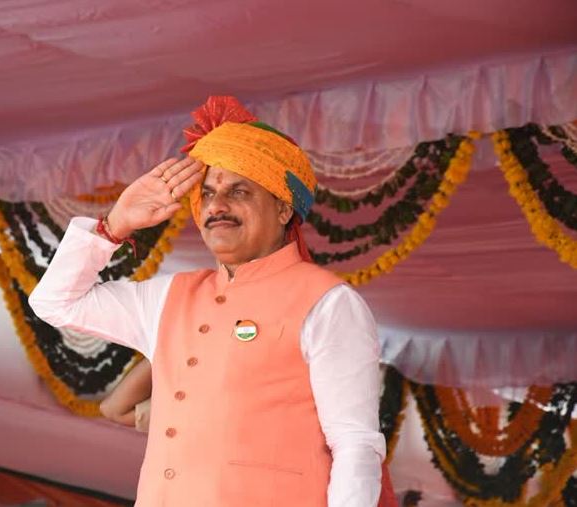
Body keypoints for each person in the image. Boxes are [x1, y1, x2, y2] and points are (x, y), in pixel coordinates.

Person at [29, 96, 390, 506]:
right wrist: (114, 225)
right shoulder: (169, 296)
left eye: (239, 191)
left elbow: (355, 444)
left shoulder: (327, 303)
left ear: (283, 208)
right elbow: (56, 303)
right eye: (208, 193)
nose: (217, 206)